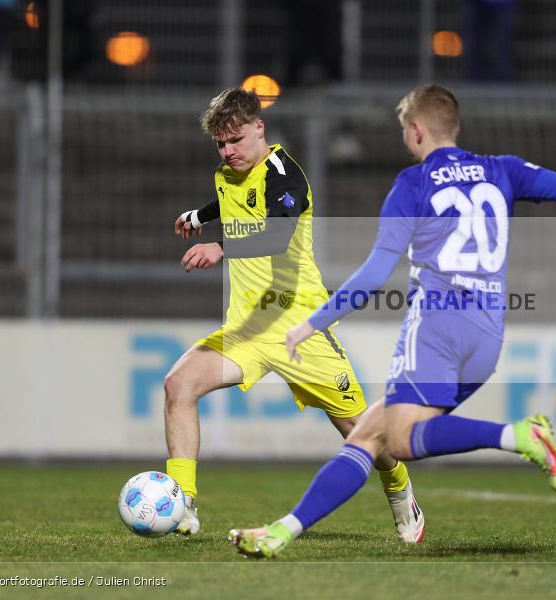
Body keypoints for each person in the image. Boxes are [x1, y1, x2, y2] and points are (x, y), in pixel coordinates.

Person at [228, 83, 556, 558]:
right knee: (371, 434)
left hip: (437, 326)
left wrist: (312, 323)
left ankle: (518, 435)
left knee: (404, 440)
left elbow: (373, 273)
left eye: (402, 128)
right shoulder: (502, 169)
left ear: (415, 131)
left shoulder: (413, 184)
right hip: (488, 332)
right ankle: (281, 532)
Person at [165, 88, 424, 542]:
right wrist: (197, 215)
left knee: (364, 435)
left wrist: (219, 246)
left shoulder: (285, 177)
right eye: (220, 144)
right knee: (178, 384)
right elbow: (228, 201)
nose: (228, 152)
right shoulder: (230, 172)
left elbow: (275, 236)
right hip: (246, 330)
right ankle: (182, 504)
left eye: (235, 140)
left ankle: (401, 493)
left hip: (299, 331)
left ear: (259, 128)